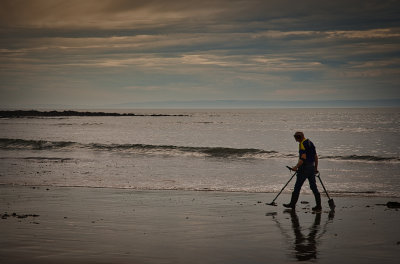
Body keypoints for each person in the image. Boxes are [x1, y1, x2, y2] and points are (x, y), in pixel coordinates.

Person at [284, 132, 321, 211]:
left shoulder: (302, 144)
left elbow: (303, 158)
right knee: (313, 187)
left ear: (298, 138)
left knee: (297, 187)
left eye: (296, 139)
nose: (296, 141)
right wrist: (315, 168)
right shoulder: (310, 143)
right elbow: (315, 156)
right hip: (311, 167)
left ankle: (292, 204)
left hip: (304, 168)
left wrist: (296, 167)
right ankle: (319, 206)